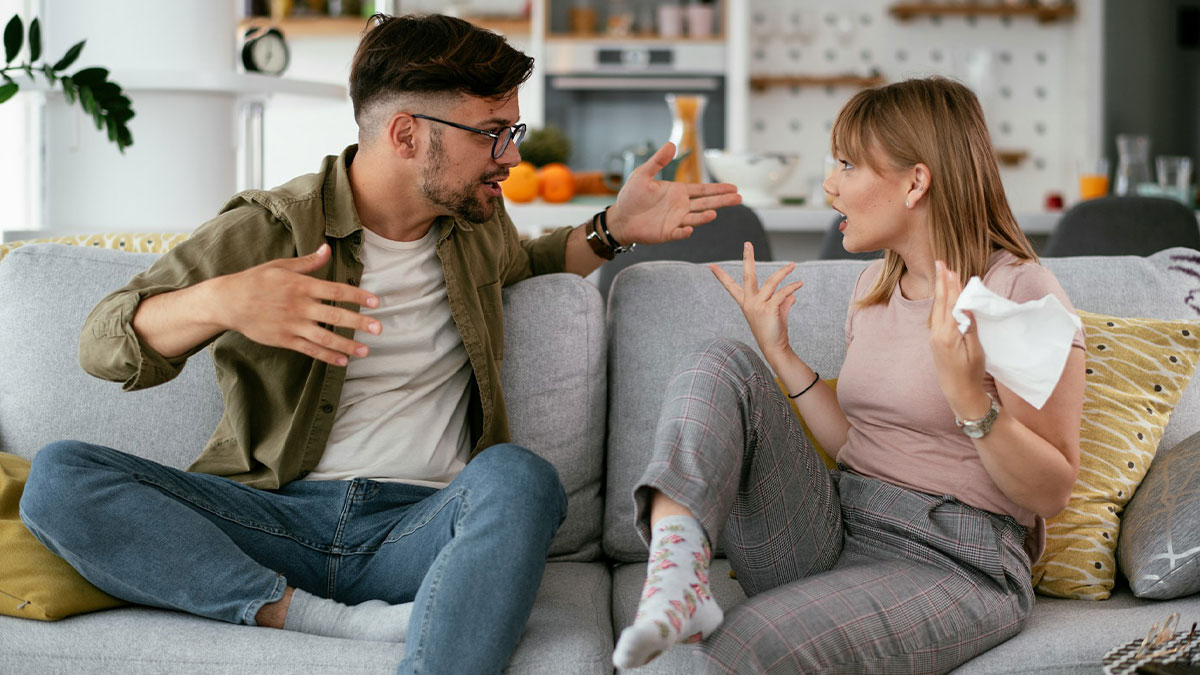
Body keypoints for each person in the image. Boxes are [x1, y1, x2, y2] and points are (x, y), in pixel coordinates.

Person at [17, 13, 739, 675]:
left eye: (512, 132)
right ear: (406, 135)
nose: (509, 156)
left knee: (521, 478)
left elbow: (533, 262)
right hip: (275, 518)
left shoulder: (477, 223)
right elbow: (101, 340)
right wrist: (221, 300)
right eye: (492, 132)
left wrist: (613, 225)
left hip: (418, 530)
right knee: (57, 478)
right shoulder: (269, 229)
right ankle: (306, 615)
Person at [612, 76, 1086, 673]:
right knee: (721, 359)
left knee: (747, 645)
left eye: (846, 164)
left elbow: (1051, 492)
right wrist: (780, 354)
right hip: (834, 522)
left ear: (916, 181)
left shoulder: (1019, 294)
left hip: (958, 559)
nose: (828, 185)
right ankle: (677, 578)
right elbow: (858, 446)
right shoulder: (874, 288)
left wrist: (968, 396)